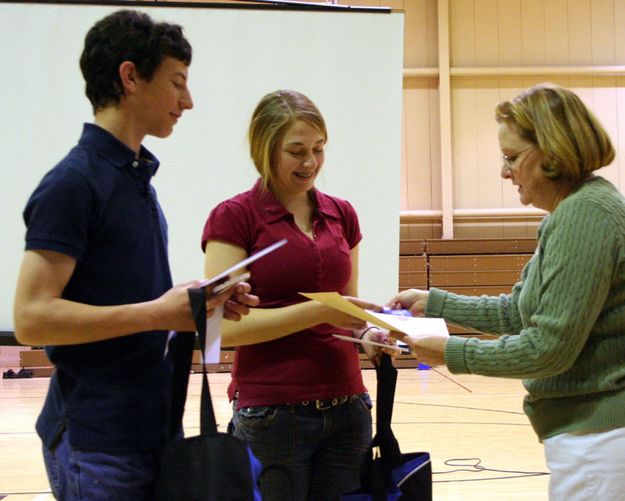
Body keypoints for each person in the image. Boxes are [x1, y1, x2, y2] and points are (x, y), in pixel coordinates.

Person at [12, 10, 257, 501]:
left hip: (148, 429)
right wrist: (156, 314)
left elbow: (132, 299)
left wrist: (192, 303)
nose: (187, 101)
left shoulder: (132, 178)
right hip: (99, 440)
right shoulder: (74, 183)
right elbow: (32, 319)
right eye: (177, 83)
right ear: (129, 77)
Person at [389, 83, 625, 500]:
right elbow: (519, 312)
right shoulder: (577, 209)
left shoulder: (583, 215)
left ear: (551, 154)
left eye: (511, 157)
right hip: (591, 435)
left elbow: (548, 349)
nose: (504, 171)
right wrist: (434, 302)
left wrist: (450, 353)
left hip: (599, 438)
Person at [202, 89, 383, 500]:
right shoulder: (234, 216)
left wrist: (371, 336)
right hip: (272, 415)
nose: (311, 163)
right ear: (264, 150)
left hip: (349, 408)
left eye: (319, 149)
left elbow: (348, 311)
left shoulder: (343, 213)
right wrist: (319, 311)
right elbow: (221, 332)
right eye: (296, 151)